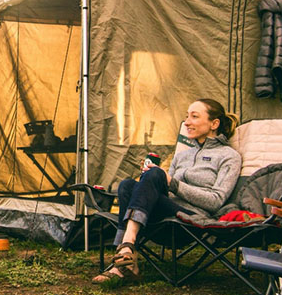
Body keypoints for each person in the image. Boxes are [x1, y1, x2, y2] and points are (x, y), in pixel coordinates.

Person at [93, 98, 241, 284]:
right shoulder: (182, 155)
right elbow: (165, 190)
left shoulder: (229, 157)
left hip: (191, 220)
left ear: (214, 123)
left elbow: (216, 201)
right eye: (187, 116)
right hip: (162, 218)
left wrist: (172, 183)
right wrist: (149, 181)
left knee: (154, 175)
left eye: (194, 116)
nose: (186, 122)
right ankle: (127, 255)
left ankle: (124, 253)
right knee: (127, 185)